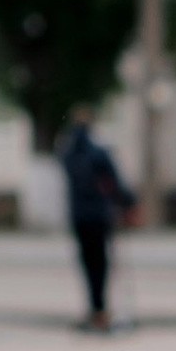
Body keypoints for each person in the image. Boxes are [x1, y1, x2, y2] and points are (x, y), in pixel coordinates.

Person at [57, 116, 133, 331]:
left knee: (87, 264)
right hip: (99, 216)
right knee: (101, 264)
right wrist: (127, 203)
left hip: (79, 217)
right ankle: (101, 310)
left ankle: (93, 308)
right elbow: (115, 182)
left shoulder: (68, 154)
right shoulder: (99, 153)